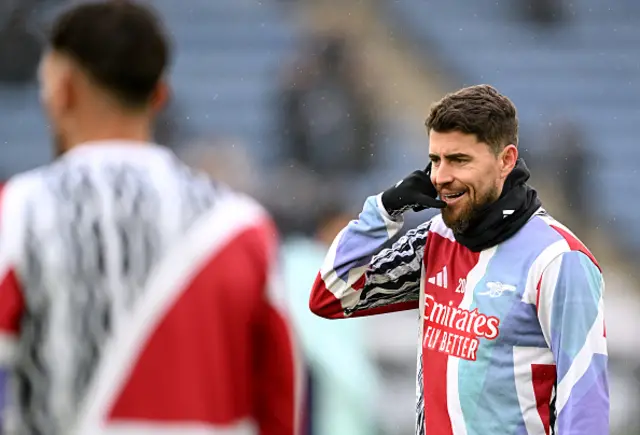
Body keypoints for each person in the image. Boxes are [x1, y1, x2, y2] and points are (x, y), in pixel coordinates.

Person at [0, 2, 299, 434]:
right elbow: (279, 403)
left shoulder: (19, 213)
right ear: (160, 96)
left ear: (62, 90)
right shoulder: (242, 228)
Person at [309, 85, 608, 434]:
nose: (440, 177)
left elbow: (585, 400)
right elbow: (331, 296)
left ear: (505, 160)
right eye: (436, 160)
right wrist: (385, 210)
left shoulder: (558, 259)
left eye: (459, 160)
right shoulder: (437, 237)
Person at [281, 206, 380, 435]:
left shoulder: (353, 274)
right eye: (343, 230)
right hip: (307, 374)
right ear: (324, 230)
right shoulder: (301, 264)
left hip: (333, 382)